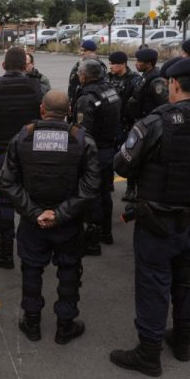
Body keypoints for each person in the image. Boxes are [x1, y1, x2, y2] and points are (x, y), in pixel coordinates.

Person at [110, 58, 190, 376]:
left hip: (158, 221)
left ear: (174, 85)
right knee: (188, 282)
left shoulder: (157, 123)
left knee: (153, 285)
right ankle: (183, 343)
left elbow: (122, 165)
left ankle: (149, 353)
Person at [0, 90, 101, 344]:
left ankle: (32, 323)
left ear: (42, 110)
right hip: (68, 222)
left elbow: (8, 182)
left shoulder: (23, 138)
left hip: (33, 221)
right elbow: (90, 188)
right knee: (69, 271)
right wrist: (60, 214)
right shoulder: (83, 140)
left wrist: (36, 214)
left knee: (31, 270)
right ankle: (65, 326)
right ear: (68, 112)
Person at [0, 46, 45, 269]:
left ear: (3, 65)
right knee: (34, 202)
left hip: (5, 154)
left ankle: (6, 253)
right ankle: (35, 252)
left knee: (5, 204)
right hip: (34, 154)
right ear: (26, 66)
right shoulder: (39, 88)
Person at [73, 59, 121, 250]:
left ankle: (93, 241)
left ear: (83, 76)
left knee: (91, 194)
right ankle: (105, 232)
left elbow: (84, 133)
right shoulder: (111, 90)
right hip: (109, 149)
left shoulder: (87, 98)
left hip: (94, 152)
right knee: (105, 193)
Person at [122, 48, 168, 202]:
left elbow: (162, 105)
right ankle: (131, 189)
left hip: (149, 126)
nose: (136, 64)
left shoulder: (156, 81)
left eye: (139, 61)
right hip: (140, 123)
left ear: (148, 63)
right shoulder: (145, 77)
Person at [106, 51, 142, 147]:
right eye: (110, 64)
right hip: (110, 122)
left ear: (123, 64)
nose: (110, 66)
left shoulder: (134, 80)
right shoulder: (108, 78)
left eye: (113, 64)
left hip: (126, 124)